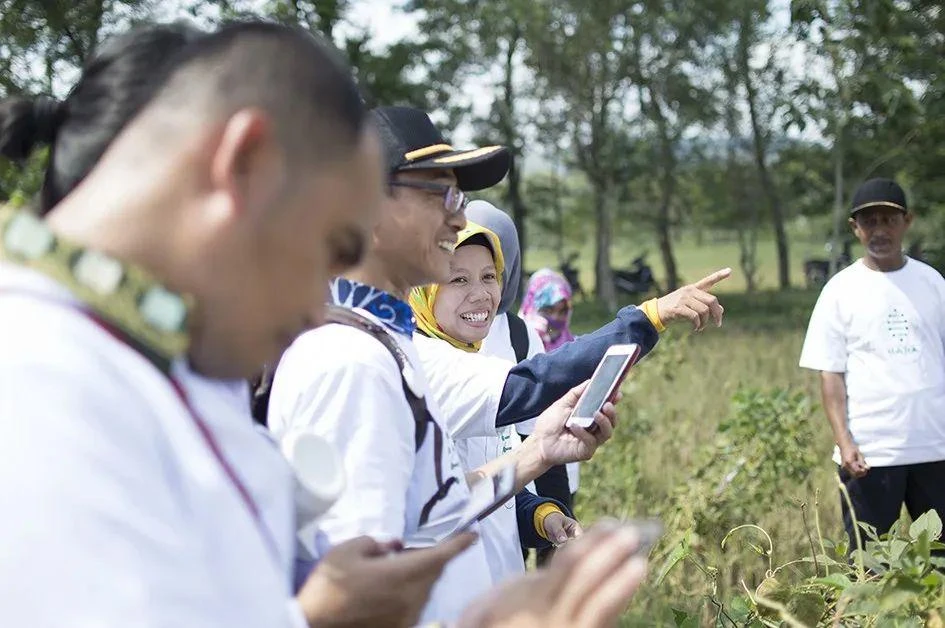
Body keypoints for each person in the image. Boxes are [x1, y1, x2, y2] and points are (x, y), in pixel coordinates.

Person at [0, 21, 478, 627]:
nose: (314, 308)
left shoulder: (157, 359)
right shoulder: (36, 381)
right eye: (329, 246)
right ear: (243, 164)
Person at [267, 104, 618, 623]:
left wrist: (538, 453)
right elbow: (359, 597)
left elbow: (429, 517)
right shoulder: (352, 363)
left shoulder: (389, 341)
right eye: (442, 194)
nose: (458, 218)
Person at [409, 221, 580, 584]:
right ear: (424, 287)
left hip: (501, 593)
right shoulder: (421, 367)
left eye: (489, 276)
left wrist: (542, 514)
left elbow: (490, 485)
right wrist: (645, 321)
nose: (480, 293)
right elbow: (532, 387)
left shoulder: (503, 343)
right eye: (458, 279)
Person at [799, 177, 945, 550]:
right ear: (855, 228)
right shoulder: (839, 291)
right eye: (869, 221)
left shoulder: (932, 283)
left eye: (889, 220)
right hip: (870, 453)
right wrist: (844, 441)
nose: (880, 230)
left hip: (935, 447)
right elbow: (830, 375)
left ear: (906, 222)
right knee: (869, 565)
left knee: (940, 561)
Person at [519, 267, 582, 514]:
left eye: (562, 310)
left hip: (563, 457)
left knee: (558, 531)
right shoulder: (514, 341)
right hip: (519, 457)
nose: (555, 318)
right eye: (547, 310)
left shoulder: (574, 346)